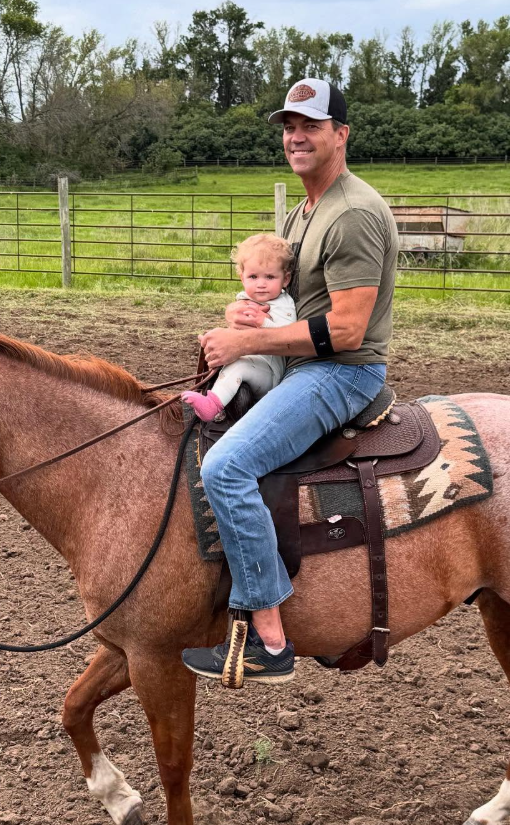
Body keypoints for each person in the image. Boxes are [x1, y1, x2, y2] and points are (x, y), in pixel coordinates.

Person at [181, 78, 399, 685]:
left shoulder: (352, 213)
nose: (296, 137)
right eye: (288, 127)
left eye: (311, 125)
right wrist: (243, 317)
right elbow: (289, 304)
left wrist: (247, 343)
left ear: (341, 135)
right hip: (303, 364)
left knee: (225, 467)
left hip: (340, 375)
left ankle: (270, 639)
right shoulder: (304, 211)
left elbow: (350, 329)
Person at [182, 234, 297, 421]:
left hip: (268, 372)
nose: (261, 284)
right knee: (226, 360)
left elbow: (289, 333)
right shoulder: (243, 299)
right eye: (253, 276)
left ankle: (213, 406)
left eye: (270, 277)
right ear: (242, 278)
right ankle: (219, 402)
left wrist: (263, 322)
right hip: (249, 362)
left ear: (285, 279)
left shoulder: (283, 303)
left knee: (239, 365)